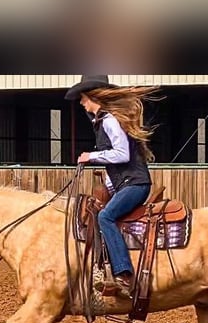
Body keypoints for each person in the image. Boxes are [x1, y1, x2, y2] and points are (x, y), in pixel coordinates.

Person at [65, 75, 160, 299]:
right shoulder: (103, 121)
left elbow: (122, 154)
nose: (81, 103)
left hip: (135, 184)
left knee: (105, 217)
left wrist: (91, 156)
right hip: (127, 184)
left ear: (92, 96)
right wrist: (108, 185)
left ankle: (124, 274)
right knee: (101, 210)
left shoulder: (108, 120)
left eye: (83, 98)